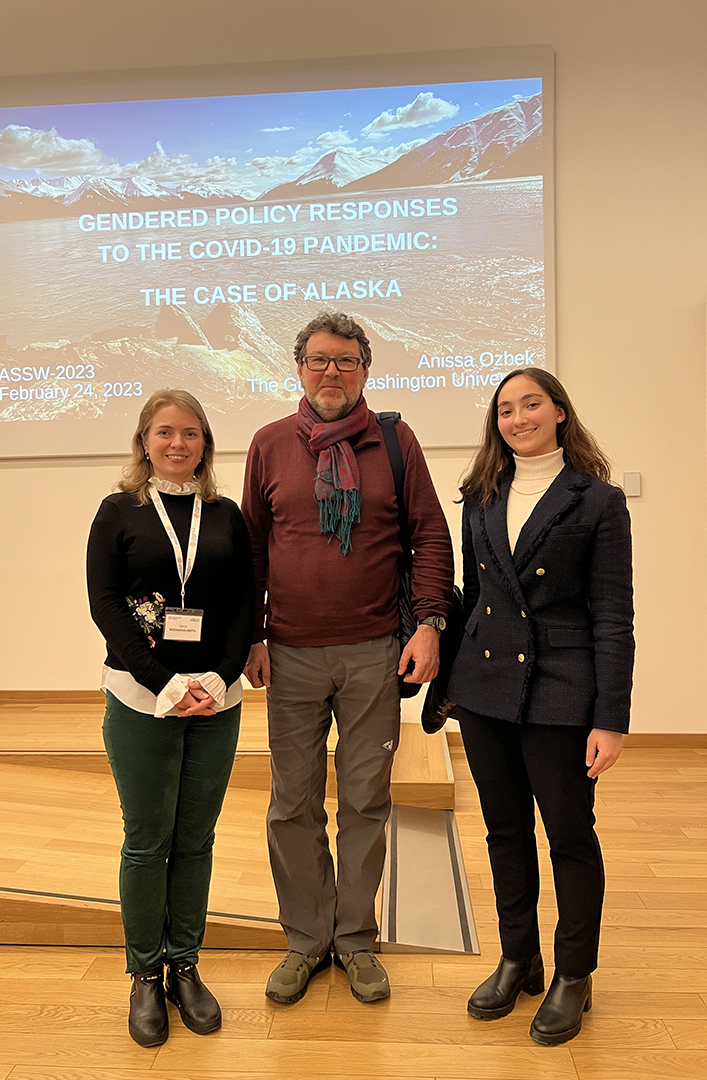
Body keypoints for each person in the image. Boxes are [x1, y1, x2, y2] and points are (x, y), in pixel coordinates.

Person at [241, 311, 454, 1005]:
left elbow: (428, 534)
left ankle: (356, 942)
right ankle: (306, 942)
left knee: (366, 800)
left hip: (373, 655)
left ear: (366, 369)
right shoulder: (270, 444)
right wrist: (252, 635)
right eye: (319, 360)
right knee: (290, 804)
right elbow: (249, 550)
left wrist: (428, 624)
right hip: (292, 656)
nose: (331, 372)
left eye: (346, 361)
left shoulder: (396, 441)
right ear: (298, 368)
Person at [447, 369, 634, 1046]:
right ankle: (518, 956)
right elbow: (473, 596)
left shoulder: (598, 501)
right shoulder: (480, 492)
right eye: (505, 409)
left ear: (558, 411)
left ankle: (574, 975)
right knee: (503, 831)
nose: (518, 417)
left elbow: (614, 617)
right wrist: (449, 690)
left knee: (569, 838)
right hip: (485, 688)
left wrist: (610, 718)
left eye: (531, 404)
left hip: (561, 689)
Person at [86, 389, 254, 1047]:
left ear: (205, 443)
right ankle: (145, 974)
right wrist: (167, 682)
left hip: (216, 699)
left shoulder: (227, 514)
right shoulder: (117, 511)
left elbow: (246, 603)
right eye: (165, 432)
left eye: (190, 433)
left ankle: (185, 963)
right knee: (147, 838)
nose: (178, 443)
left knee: (197, 838)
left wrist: (219, 676)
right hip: (140, 696)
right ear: (145, 440)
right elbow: (105, 606)